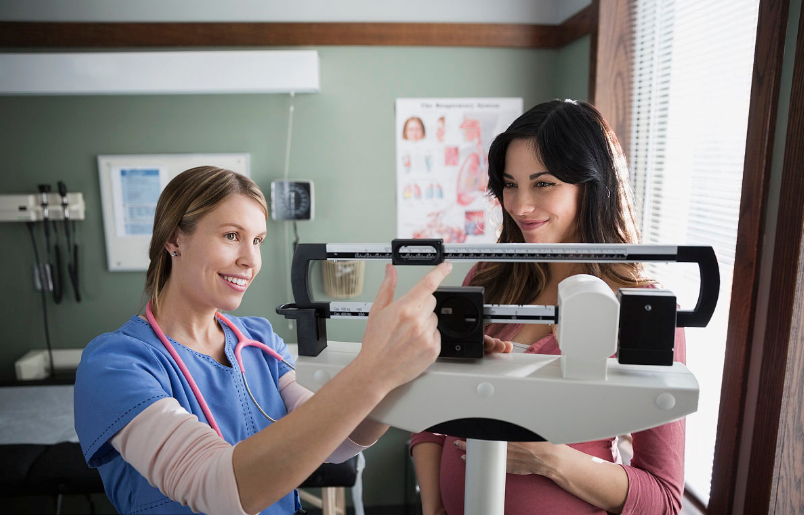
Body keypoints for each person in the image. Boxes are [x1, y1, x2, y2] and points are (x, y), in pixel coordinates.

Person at [74, 166, 457, 515]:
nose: (250, 259)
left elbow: (342, 440)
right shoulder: (114, 364)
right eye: (231, 236)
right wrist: (374, 370)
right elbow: (215, 487)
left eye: (257, 240)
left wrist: (410, 364)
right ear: (175, 239)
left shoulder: (256, 339)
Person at [410, 99, 687, 515]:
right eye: (509, 184)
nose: (519, 206)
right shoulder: (489, 276)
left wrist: (549, 458)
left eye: (543, 184)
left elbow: (663, 499)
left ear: (592, 185)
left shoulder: (643, 311)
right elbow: (433, 410)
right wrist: (433, 509)